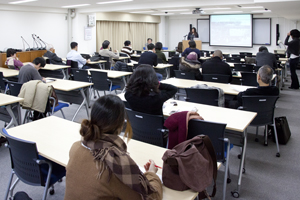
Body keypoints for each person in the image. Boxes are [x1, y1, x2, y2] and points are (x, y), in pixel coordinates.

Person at [64, 95, 163, 200]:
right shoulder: (115, 164)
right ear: (121, 126)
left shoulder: (76, 146)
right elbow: (151, 197)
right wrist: (152, 174)